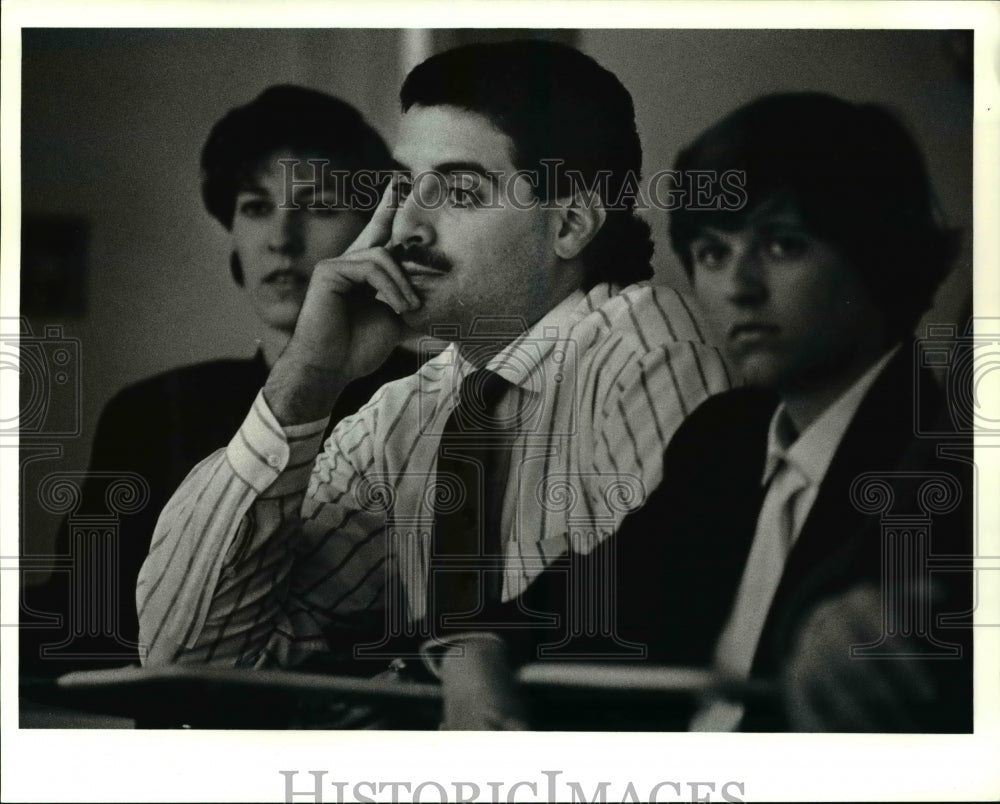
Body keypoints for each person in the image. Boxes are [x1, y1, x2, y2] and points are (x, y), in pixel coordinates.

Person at [136, 40, 731, 729]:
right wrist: (307, 379)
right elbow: (185, 653)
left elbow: (650, 648)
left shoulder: (647, 349)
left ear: (568, 221)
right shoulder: (414, 408)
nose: (405, 229)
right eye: (403, 188)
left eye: (457, 190)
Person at [599, 91, 971, 731]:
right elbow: (579, 599)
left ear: (878, 253)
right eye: (714, 253)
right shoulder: (723, 437)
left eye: (782, 246)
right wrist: (477, 646)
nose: (738, 288)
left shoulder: (952, 456)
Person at [21, 85, 421, 676]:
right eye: (256, 207)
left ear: (376, 226)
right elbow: (83, 622)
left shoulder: (438, 399)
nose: (280, 239)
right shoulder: (152, 412)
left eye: (318, 206)